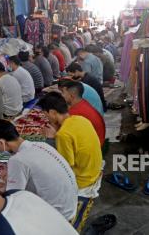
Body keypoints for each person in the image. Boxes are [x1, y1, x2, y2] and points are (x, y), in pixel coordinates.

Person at [0, 120, 78, 220]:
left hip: (59, 216)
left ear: (0, 143)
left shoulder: (17, 160)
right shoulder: (41, 145)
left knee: (3, 214)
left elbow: (13, 198)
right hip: (70, 206)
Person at [38, 92, 103, 232]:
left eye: (45, 114)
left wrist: (50, 140)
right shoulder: (80, 119)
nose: (46, 118)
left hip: (83, 181)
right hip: (95, 170)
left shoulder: (63, 135)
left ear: (53, 112)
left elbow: (64, 167)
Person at [59, 80, 106, 146]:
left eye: (63, 92)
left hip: (94, 145)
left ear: (71, 96)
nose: (61, 95)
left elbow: (64, 134)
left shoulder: (74, 113)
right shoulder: (81, 101)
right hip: (99, 138)